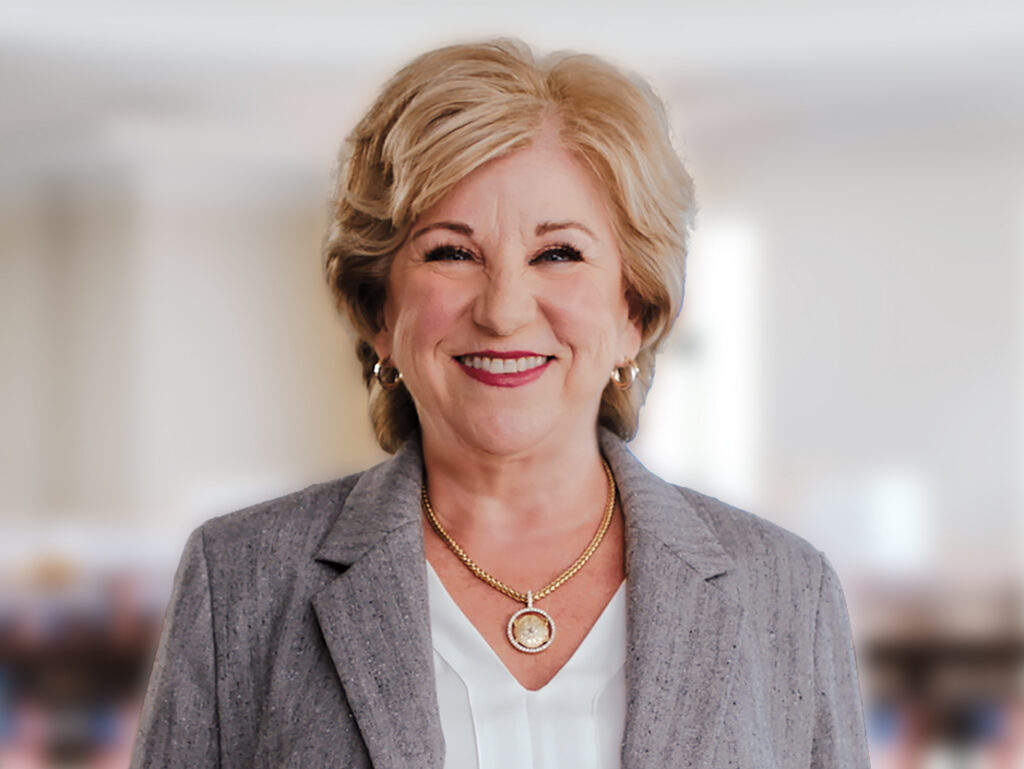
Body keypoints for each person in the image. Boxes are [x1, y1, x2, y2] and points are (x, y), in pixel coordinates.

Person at [130, 39, 870, 768]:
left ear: (635, 313)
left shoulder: (787, 592)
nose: (504, 309)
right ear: (377, 311)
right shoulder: (238, 582)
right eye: (451, 251)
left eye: (559, 253)